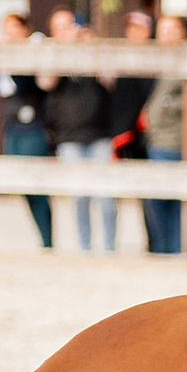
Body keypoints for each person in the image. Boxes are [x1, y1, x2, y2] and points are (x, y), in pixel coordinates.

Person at [110, 11, 187, 255]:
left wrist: (159, 107)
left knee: (169, 202)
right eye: (164, 30)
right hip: (150, 140)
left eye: (172, 30)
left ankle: (171, 252)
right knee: (152, 201)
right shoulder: (153, 61)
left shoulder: (183, 62)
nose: (167, 35)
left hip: (171, 140)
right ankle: (161, 250)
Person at [42, 15, 118, 253]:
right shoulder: (53, 53)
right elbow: (46, 81)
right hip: (68, 136)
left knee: (106, 197)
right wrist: (64, 49)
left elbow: (110, 79)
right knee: (79, 197)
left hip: (99, 134)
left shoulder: (94, 50)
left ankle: (108, 249)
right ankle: (84, 248)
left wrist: (91, 48)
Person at [0, 11, 54, 249]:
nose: (11, 34)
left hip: (34, 125)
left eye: (16, 28)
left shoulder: (34, 50)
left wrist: (11, 53)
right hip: (13, 125)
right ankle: (43, 239)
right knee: (21, 184)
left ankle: (47, 240)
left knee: (36, 184)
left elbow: (24, 81)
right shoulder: (8, 53)